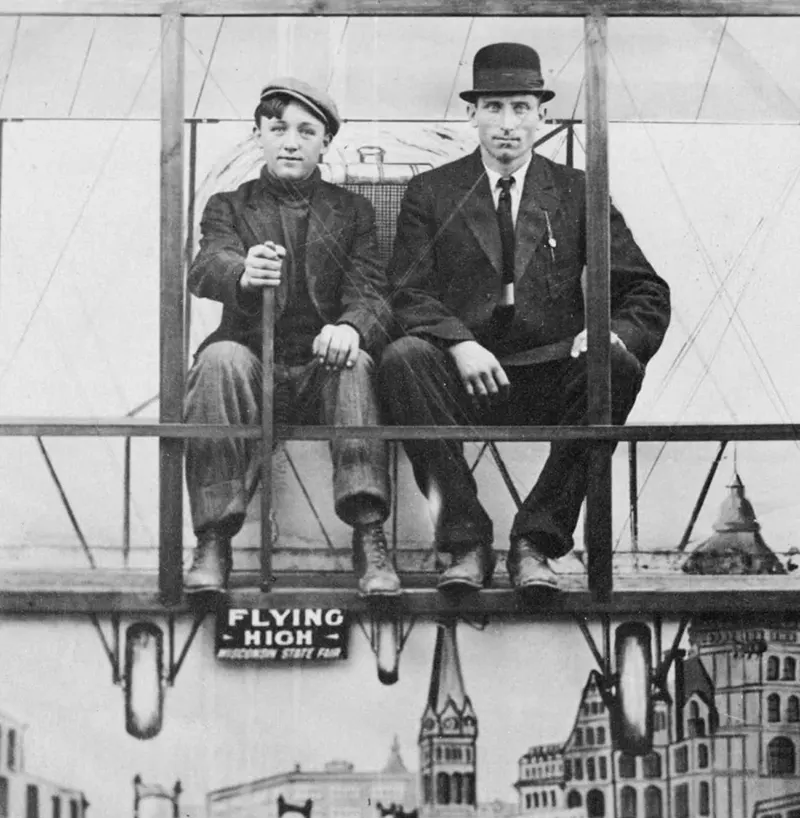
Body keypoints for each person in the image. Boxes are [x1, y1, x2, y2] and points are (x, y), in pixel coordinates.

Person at [379, 43, 670, 594]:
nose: (507, 124)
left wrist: (611, 334)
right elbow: (406, 290)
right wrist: (459, 342)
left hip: (550, 374)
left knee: (617, 367)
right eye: (493, 108)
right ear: (472, 114)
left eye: (520, 107)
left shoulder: (579, 191)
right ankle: (465, 542)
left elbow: (645, 290)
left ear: (542, 115)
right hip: (463, 379)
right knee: (403, 359)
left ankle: (536, 542)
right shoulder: (432, 191)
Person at [184, 77, 400, 596]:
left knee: (356, 362)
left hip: (322, 373)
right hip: (252, 368)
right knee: (219, 360)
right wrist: (242, 271)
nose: (290, 141)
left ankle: (369, 536)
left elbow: (372, 292)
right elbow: (206, 264)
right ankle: (213, 539)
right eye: (278, 128)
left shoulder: (353, 212)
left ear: (325, 142)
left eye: (307, 131)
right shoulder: (228, 206)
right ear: (257, 134)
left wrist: (350, 328)